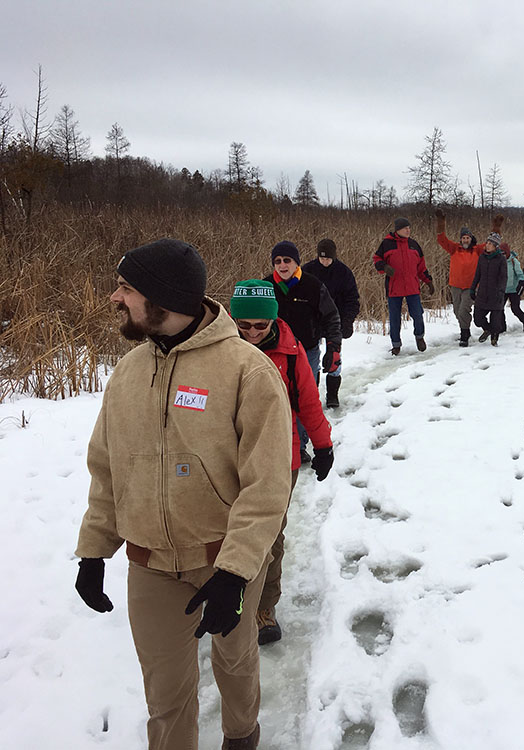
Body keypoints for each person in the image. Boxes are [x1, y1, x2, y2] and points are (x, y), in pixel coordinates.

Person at [75, 239, 293, 750]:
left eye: (126, 288)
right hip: (149, 564)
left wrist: (236, 571)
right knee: (165, 693)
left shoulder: (248, 371)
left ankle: (241, 738)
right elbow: (106, 469)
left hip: (225, 559)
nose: (114, 298)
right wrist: (93, 550)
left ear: (162, 298)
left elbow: (266, 486)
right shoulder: (127, 374)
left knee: (234, 660)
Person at [229, 280, 334, 648]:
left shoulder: (291, 352)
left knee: (269, 535)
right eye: (244, 325)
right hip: (226, 456)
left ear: (273, 321)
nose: (253, 333)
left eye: (261, 325)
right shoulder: (218, 351)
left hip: (279, 456)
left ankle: (263, 607)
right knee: (224, 529)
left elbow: (308, 401)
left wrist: (322, 446)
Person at [264, 241, 341, 464]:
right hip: (272, 352)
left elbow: (331, 317)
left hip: (306, 352)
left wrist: (333, 347)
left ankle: (298, 448)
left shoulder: (313, 286)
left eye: (287, 260)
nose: (282, 265)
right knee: (274, 399)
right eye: (277, 261)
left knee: (302, 400)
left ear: (296, 262)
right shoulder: (266, 287)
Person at [302, 239, 360, 408]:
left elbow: (352, 299)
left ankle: (332, 395)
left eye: (328, 258)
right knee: (312, 360)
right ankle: (311, 395)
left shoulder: (344, 273)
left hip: (335, 320)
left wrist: (348, 321)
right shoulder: (308, 270)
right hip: (312, 322)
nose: (324, 261)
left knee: (334, 358)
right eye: (321, 258)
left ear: (334, 257)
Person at [434, 210, 503, 346]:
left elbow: (492, 242)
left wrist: (497, 226)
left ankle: (464, 335)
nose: (466, 240)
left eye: (468, 238)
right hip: (455, 285)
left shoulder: (477, 250)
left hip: (471, 287)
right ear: (460, 239)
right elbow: (441, 240)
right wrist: (441, 223)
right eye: (464, 238)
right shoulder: (454, 248)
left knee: (464, 309)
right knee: (456, 310)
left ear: (471, 239)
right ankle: (466, 329)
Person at [374, 217, 434, 355]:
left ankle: (419, 337)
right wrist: (385, 267)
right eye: (405, 228)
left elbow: (421, 267)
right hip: (394, 288)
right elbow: (377, 259)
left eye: (409, 228)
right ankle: (396, 345)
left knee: (418, 315)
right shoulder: (387, 244)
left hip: (412, 287)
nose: (408, 230)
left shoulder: (414, 245)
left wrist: (428, 281)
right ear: (398, 230)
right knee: (395, 318)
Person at [471, 232, 508, 345]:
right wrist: (472, 288)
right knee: (477, 318)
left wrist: (501, 292)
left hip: (496, 293)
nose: (487, 245)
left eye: (490, 243)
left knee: (495, 320)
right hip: (483, 292)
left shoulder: (501, 259)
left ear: (496, 246)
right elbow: (478, 274)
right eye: (487, 242)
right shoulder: (482, 257)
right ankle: (488, 329)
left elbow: (503, 277)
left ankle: (494, 338)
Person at [501, 241, 524, 333]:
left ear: (507, 252)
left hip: (514, 289)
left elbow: (521, 275)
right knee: (499, 309)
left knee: (515, 309)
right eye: (500, 253)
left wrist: (521, 284)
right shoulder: (499, 262)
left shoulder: (514, 261)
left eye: (504, 253)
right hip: (503, 289)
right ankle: (502, 327)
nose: (502, 255)